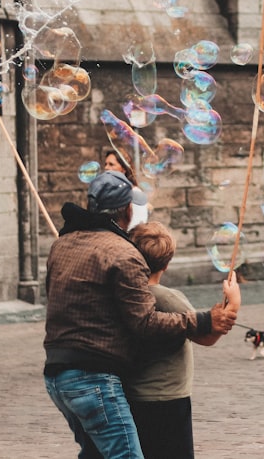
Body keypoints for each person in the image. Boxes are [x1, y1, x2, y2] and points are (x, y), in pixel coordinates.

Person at [43, 170, 238, 458]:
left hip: (56, 376)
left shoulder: (62, 243)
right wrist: (206, 319)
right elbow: (144, 322)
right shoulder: (123, 252)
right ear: (126, 209)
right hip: (93, 378)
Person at [126, 221, 240, 459]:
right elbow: (206, 336)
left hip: (135, 395)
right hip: (168, 397)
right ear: (167, 263)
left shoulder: (127, 295)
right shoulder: (168, 298)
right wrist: (233, 303)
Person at [105, 149, 150, 229]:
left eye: (111, 164)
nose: (106, 168)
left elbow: (137, 227)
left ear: (124, 169)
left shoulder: (135, 193)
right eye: (105, 164)